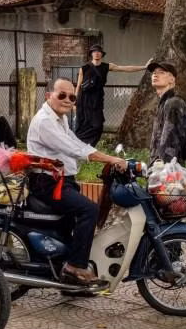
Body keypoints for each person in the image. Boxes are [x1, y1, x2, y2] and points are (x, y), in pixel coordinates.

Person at [26, 77, 127, 286]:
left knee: (72, 224)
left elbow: (76, 142)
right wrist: (111, 159)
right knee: (89, 210)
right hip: (47, 183)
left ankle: (68, 278)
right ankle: (74, 267)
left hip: (61, 180)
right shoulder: (45, 121)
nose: (67, 100)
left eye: (72, 97)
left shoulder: (59, 118)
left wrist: (108, 158)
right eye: (61, 95)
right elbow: (75, 149)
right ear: (48, 96)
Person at [75, 44, 152, 147]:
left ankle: (89, 146)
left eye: (98, 51)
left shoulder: (107, 66)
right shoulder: (84, 68)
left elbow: (125, 68)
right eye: (94, 51)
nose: (96, 53)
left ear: (101, 54)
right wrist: (74, 100)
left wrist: (144, 67)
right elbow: (79, 85)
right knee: (83, 124)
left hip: (97, 100)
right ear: (91, 54)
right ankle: (79, 146)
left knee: (98, 125)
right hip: (84, 100)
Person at [148, 60, 186, 165]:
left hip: (167, 171)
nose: (155, 74)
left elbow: (170, 143)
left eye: (161, 72)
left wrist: (161, 169)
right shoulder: (164, 103)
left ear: (172, 79)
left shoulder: (173, 103)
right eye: (154, 72)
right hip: (162, 168)